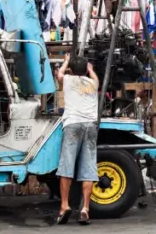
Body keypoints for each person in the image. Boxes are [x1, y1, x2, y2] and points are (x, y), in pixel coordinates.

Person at [55, 56, 99, 225]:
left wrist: (65, 61)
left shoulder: (68, 79)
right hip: (90, 125)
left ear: (71, 70)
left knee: (67, 165)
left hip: (73, 124)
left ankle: (64, 206)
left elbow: (59, 74)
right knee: (88, 167)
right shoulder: (92, 83)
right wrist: (91, 69)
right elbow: (95, 77)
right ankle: (85, 208)